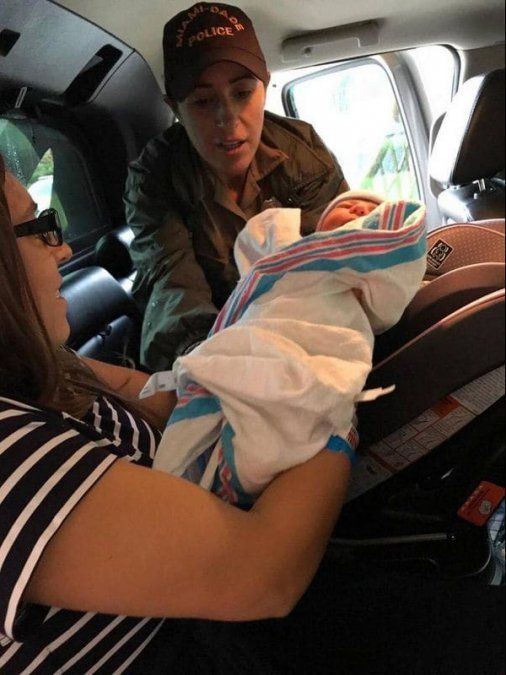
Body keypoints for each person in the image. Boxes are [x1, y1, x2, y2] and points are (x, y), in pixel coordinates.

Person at [0, 159, 503, 674]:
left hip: (216, 595)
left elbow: (159, 396)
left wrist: (273, 346)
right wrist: (326, 396)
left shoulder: (45, 365)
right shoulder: (7, 451)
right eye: (38, 226)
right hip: (196, 636)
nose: (62, 248)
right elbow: (265, 577)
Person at [151, 191, 427, 505]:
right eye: (348, 205)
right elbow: (256, 248)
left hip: (323, 343)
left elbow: (393, 289)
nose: (359, 210)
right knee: (239, 375)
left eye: (371, 213)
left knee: (297, 396)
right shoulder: (292, 253)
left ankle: (242, 461)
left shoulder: (363, 279)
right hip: (265, 329)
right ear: (320, 227)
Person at [124, 2, 349, 372]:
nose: (228, 119)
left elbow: (338, 252)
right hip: (219, 341)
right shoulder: (156, 178)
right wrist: (214, 364)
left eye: (243, 93)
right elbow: (173, 284)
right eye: (202, 101)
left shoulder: (302, 151)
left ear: (265, 86)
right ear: (175, 108)